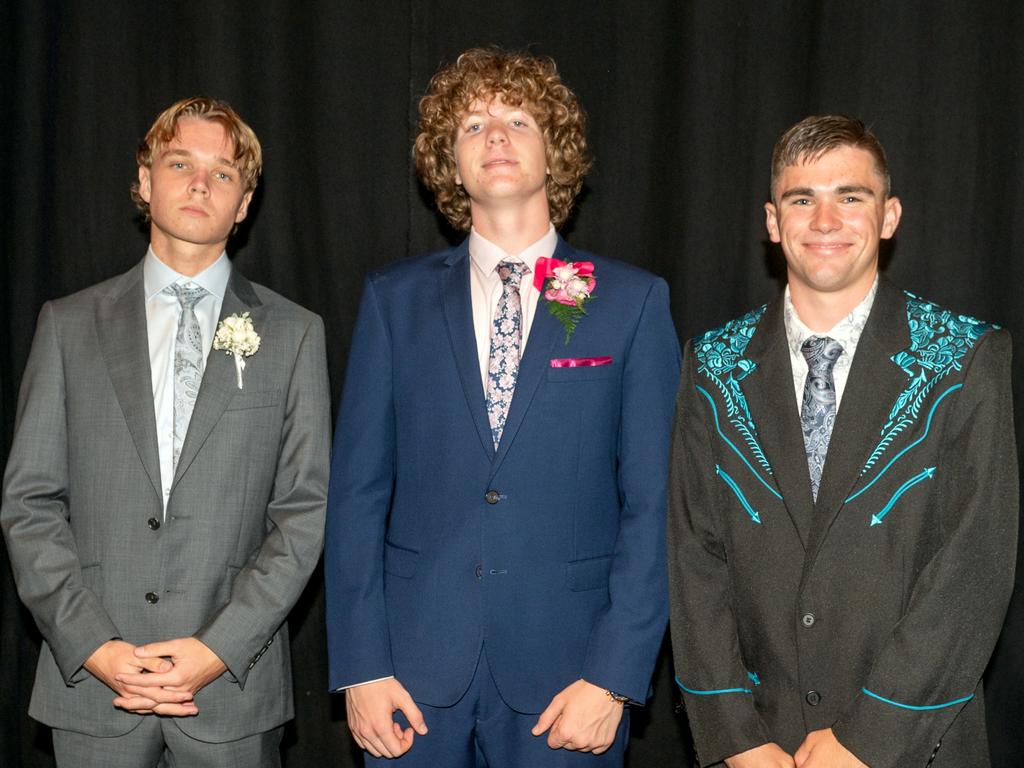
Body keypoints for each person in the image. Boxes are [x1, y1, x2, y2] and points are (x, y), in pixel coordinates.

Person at [325, 47, 680, 767]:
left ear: (556, 154)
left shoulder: (627, 302)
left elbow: (657, 503)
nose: (494, 134)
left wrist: (615, 676)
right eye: (472, 124)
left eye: (518, 118)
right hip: (411, 679)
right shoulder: (395, 302)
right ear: (449, 166)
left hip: (569, 677)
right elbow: (357, 495)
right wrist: (360, 667)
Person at [667, 114, 1018, 768]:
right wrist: (737, 739)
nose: (825, 221)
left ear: (889, 216)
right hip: (759, 749)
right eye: (803, 199)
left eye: (849, 197)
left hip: (916, 745)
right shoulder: (711, 364)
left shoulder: (965, 356)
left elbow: (974, 567)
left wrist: (867, 740)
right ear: (773, 223)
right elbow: (694, 558)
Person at [1, 96, 330, 767]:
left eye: (224, 173)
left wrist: (217, 650)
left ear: (244, 206)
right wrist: (96, 647)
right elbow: (30, 504)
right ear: (146, 181)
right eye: (180, 162)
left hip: (231, 694)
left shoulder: (295, 334)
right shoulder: (67, 326)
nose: (199, 183)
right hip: (93, 690)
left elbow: (304, 513)